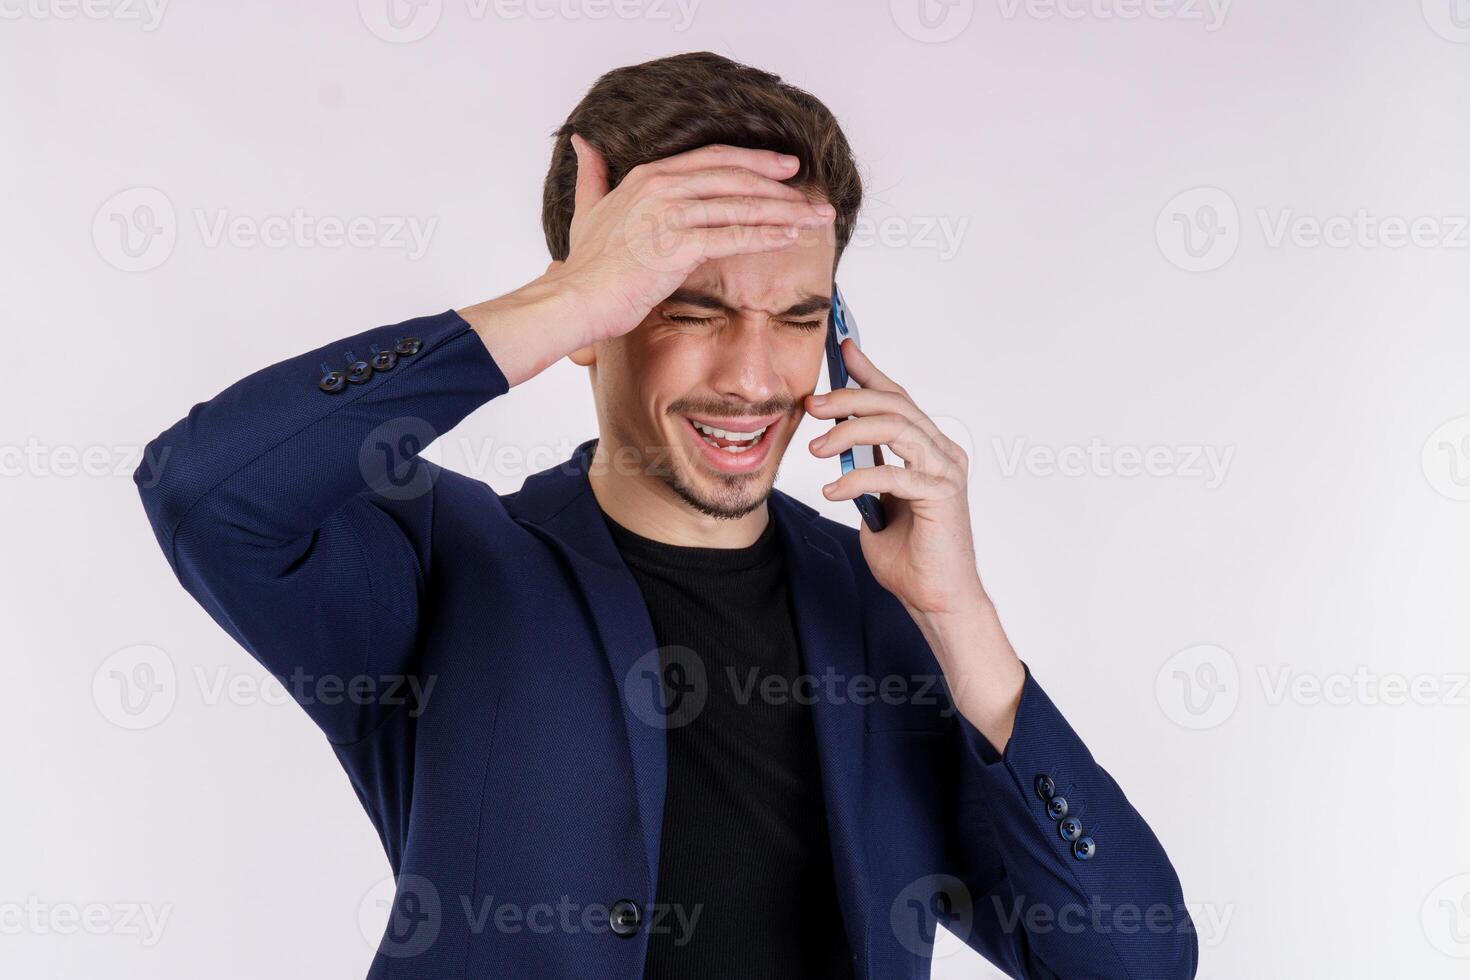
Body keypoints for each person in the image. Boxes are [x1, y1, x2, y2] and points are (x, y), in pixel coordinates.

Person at [135, 51, 1197, 980]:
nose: (750, 375)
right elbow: (207, 490)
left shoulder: (886, 617)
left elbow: (1134, 957)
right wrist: (555, 305)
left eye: (796, 318)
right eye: (693, 309)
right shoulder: (439, 565)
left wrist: (961, 612)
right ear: (595, 319)